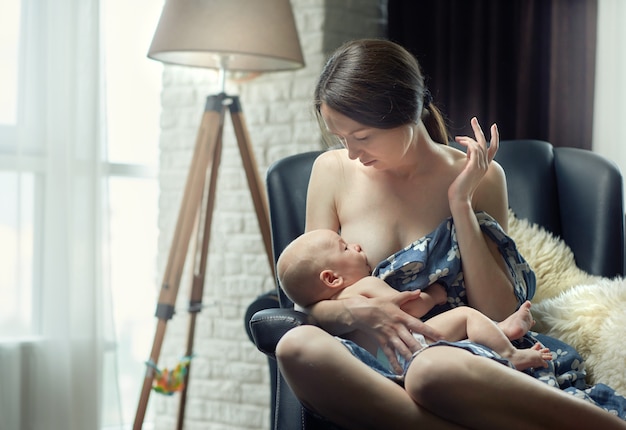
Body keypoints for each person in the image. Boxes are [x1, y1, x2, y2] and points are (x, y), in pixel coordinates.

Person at [274, 38, 626, 429]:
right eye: (341, 139)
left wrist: (461, 203)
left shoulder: (484, 178)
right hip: (373, 362)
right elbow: (308, 300)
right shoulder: (332, 171)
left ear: (405, 110)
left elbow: (496, 314)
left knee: (430, 371)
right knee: (295, 345)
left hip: (461, 356)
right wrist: (358, 310)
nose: (353, 153)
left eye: (362, 137)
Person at [277, 228, 552, 371]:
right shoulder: (367, 285)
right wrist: (432, 296)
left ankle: (499, 332)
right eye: (345, 247)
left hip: (380, 368)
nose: (356, 245)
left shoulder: (329, 314)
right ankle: (510, 353)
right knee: (467, 316)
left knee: (458, 345)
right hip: (410, 345)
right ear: (332, 278)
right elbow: (409, 307)